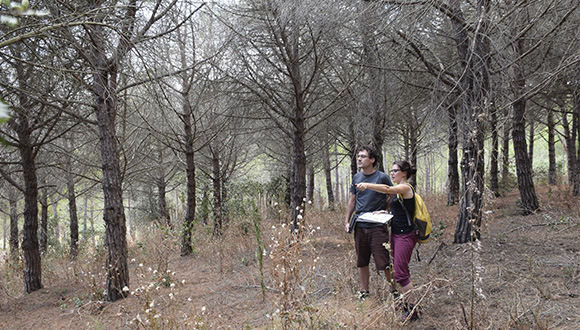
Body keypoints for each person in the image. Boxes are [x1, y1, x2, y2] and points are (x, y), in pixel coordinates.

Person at [356, 160, 421, 321]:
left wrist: (368, 184)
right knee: (400, 270)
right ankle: (406, 303)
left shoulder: (405, 188)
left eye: (395, 171)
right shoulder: (399, 191)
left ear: (404, 173)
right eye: (391, 171)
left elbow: (386, 189)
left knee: (401, 274)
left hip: (406, 236)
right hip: (396, 235)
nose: (391, 174)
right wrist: (382, 211)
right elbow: (397, 209)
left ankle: (414, 311)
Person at [344, 146, 393, 300]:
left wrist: (384, 209)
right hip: (360, 225)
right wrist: (347, 220)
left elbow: (392, 194)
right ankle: (364, 291)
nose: (359, 159)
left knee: (383, 260)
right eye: (358, 156)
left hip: (377, 226)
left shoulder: (382, 177)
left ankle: (394, 291)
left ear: (372, 160)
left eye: (363, 156)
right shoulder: (356, 178)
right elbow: (352, 200)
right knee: (362, 260)